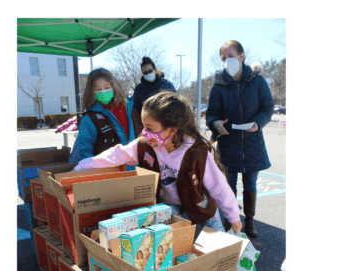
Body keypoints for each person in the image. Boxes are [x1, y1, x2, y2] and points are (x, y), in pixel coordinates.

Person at [74, 91, 243, 237]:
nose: (144, 133)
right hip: (168, 205)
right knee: (172, 240)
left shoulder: (196, 151)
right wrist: (84, 165)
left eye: (150, 128)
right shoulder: (144, 145)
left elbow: (218, 186)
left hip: (200, 204)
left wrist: (233, 216)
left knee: (219, 240)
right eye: (144, 127)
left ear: (172, 130)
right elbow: (116, 155)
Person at [205, 40, 274, 239]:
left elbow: (268, 108)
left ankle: (250, 221)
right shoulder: (218, 86)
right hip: (228, 144)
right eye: (223, 58)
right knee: (228, 186)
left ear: (242, 57)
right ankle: (230, 221)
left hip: (253, 143)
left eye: (230, 55)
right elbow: (211, 115)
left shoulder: (257, 81)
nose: (227, 60)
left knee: (250, 185)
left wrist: (258, 123)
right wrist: (216, 123)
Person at [69, 68, 136, 164]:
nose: (103, 92)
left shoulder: (129, 107)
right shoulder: (89, 118)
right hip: (109, 173)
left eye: (106, 87)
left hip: (134, 169)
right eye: (98, 89)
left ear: (113, 86)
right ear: (91, 92)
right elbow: (86, 152)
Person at [131, 57, 176, 135]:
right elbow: (137, 110)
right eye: (145, 72)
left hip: (167, 125)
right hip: (150, 128)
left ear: (154, 70)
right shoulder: (139, 89)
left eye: (150, 71)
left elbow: (176, 103)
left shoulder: (167, 84)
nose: (148, 73)